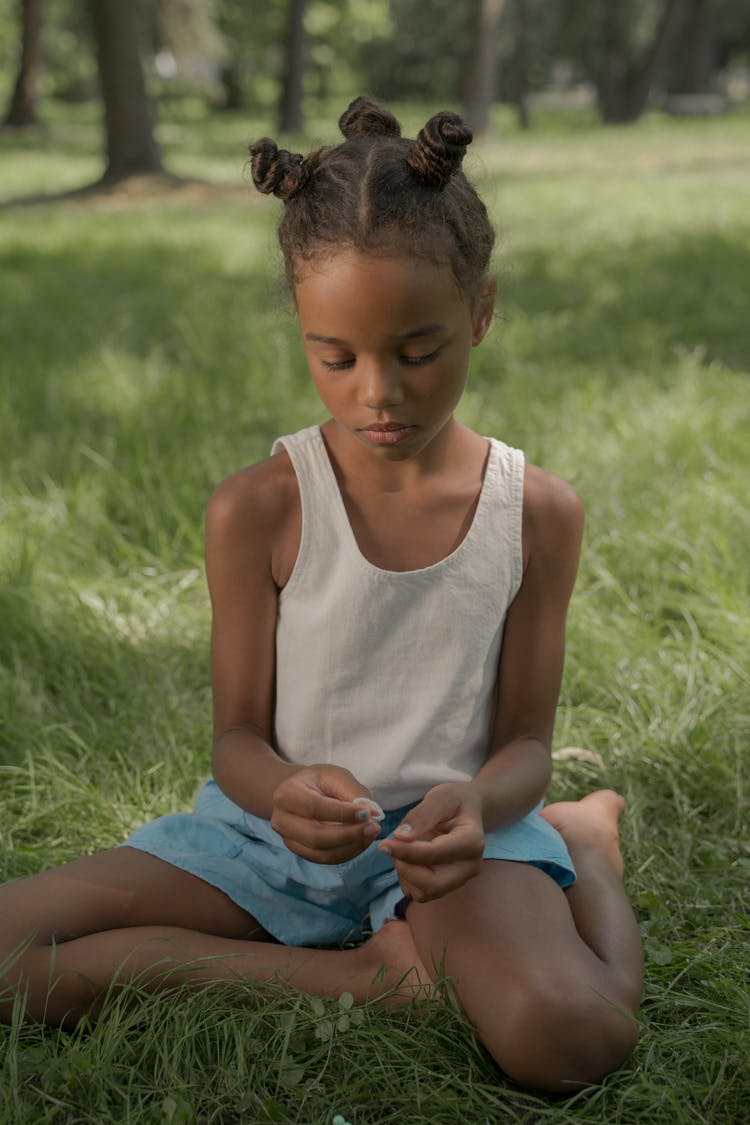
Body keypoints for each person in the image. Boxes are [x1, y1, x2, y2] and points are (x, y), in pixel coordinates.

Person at [0, 96, 643, 1093]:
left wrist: (480, 801)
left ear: (481, 311)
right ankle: (378, 978)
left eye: (418, 352)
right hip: (263, 843)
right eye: (334, 358)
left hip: (453, 851)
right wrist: (283, 794)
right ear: (302, 329)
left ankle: (584, 846)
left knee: (573, 1038)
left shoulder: (537, 513)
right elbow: (238, 744)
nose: (377, 394)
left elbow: (523, 744)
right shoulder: (256, 509)